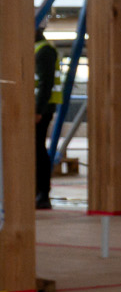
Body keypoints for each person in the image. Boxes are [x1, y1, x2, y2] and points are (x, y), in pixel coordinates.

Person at [33, 29, 58, 210]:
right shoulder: (35, 49)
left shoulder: (44, 51)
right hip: (34, 108)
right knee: (34, 149)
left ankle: (43, 194)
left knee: (37, 149)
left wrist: (38, 110)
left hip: (40, 109)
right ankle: (36, 191)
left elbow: (45, 83)